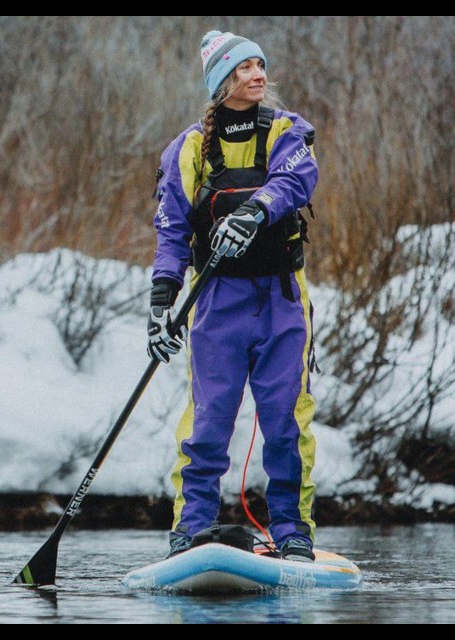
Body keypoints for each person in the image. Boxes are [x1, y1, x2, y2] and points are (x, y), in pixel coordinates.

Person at [146, 30, 319, 562]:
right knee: (207, 424)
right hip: (217, 303)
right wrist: (161, 301)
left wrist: (255, 209)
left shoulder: (286, 131)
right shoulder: (190, 148)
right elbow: (172, 228)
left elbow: (297, 179)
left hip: (282, 299)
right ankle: (189, 530)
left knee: (286, 423)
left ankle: (292, 532)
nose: (257, 75)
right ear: (222, 81)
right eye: (243, 68)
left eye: (260, 65)